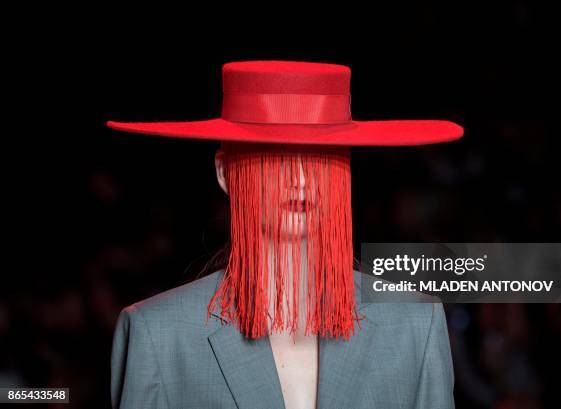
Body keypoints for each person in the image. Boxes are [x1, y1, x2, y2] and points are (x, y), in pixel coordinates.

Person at [107, 60, 462, 409]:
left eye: (321, 155)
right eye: (275, 155)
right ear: (224, 172)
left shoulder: (415, 324)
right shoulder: (159, 335)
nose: (301, 179)